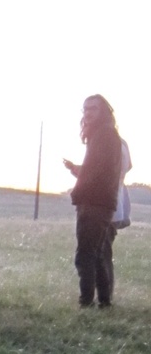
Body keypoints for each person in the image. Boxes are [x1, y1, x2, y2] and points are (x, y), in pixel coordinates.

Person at [62, 95, 122, 308]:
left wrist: (77, 192)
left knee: (85, 255)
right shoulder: (106, 134)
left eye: (93, 109)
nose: (88, 113)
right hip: (102, 202)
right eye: (85, 109)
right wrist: (77, 171)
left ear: (103, 111)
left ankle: (86, 301)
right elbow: (96, 170)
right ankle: (104, 302)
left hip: (94, 203)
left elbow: (96, 173)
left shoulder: (104, 135)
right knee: (95, 255)